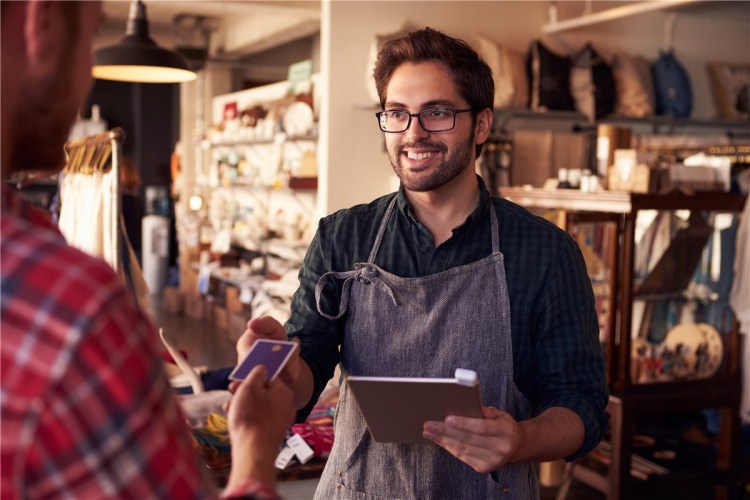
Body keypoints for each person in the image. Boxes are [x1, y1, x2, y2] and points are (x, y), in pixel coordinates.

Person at [236, 27, 609, 498]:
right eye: (397, 113)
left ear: (481, 125)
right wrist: (284, 369)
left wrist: (520, 439)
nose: (413, 132)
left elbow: (583, 405)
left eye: (438, 112)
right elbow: (309, 360)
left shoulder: (546, 253)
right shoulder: (342, 236)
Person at [0, 2, 293, 498]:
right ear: (40, 23)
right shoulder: (68, 307)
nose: (86, 76)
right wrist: (254, 447)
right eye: (91, 36)